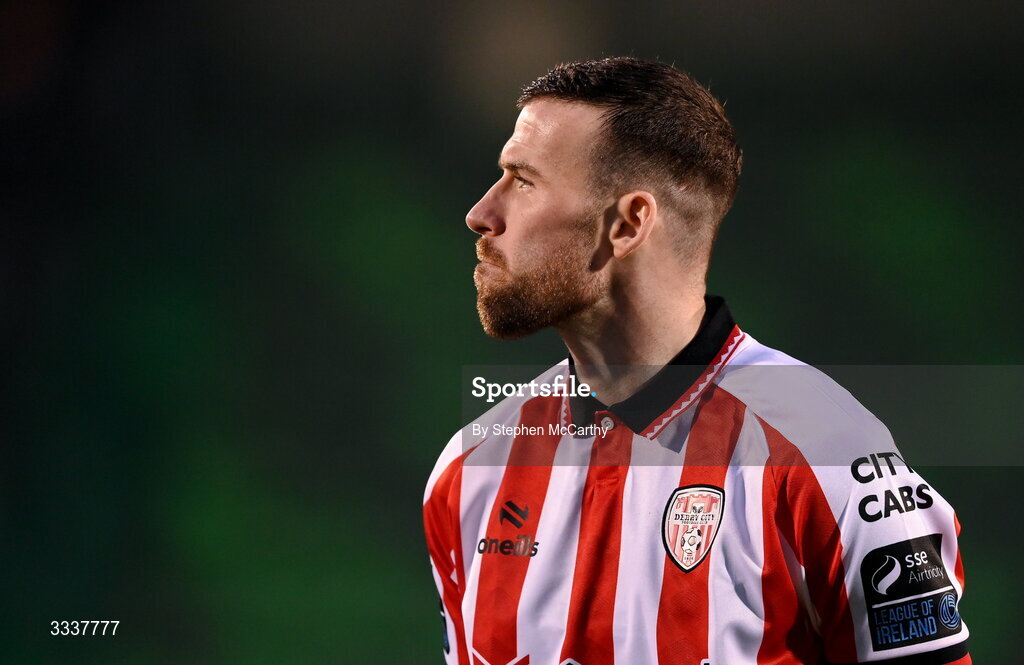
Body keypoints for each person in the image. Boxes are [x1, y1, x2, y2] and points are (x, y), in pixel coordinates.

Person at [423, 57, 970, 665]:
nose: (481, 213)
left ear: (628, 225)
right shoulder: (471, 469)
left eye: (522, 181)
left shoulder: (829, 455)